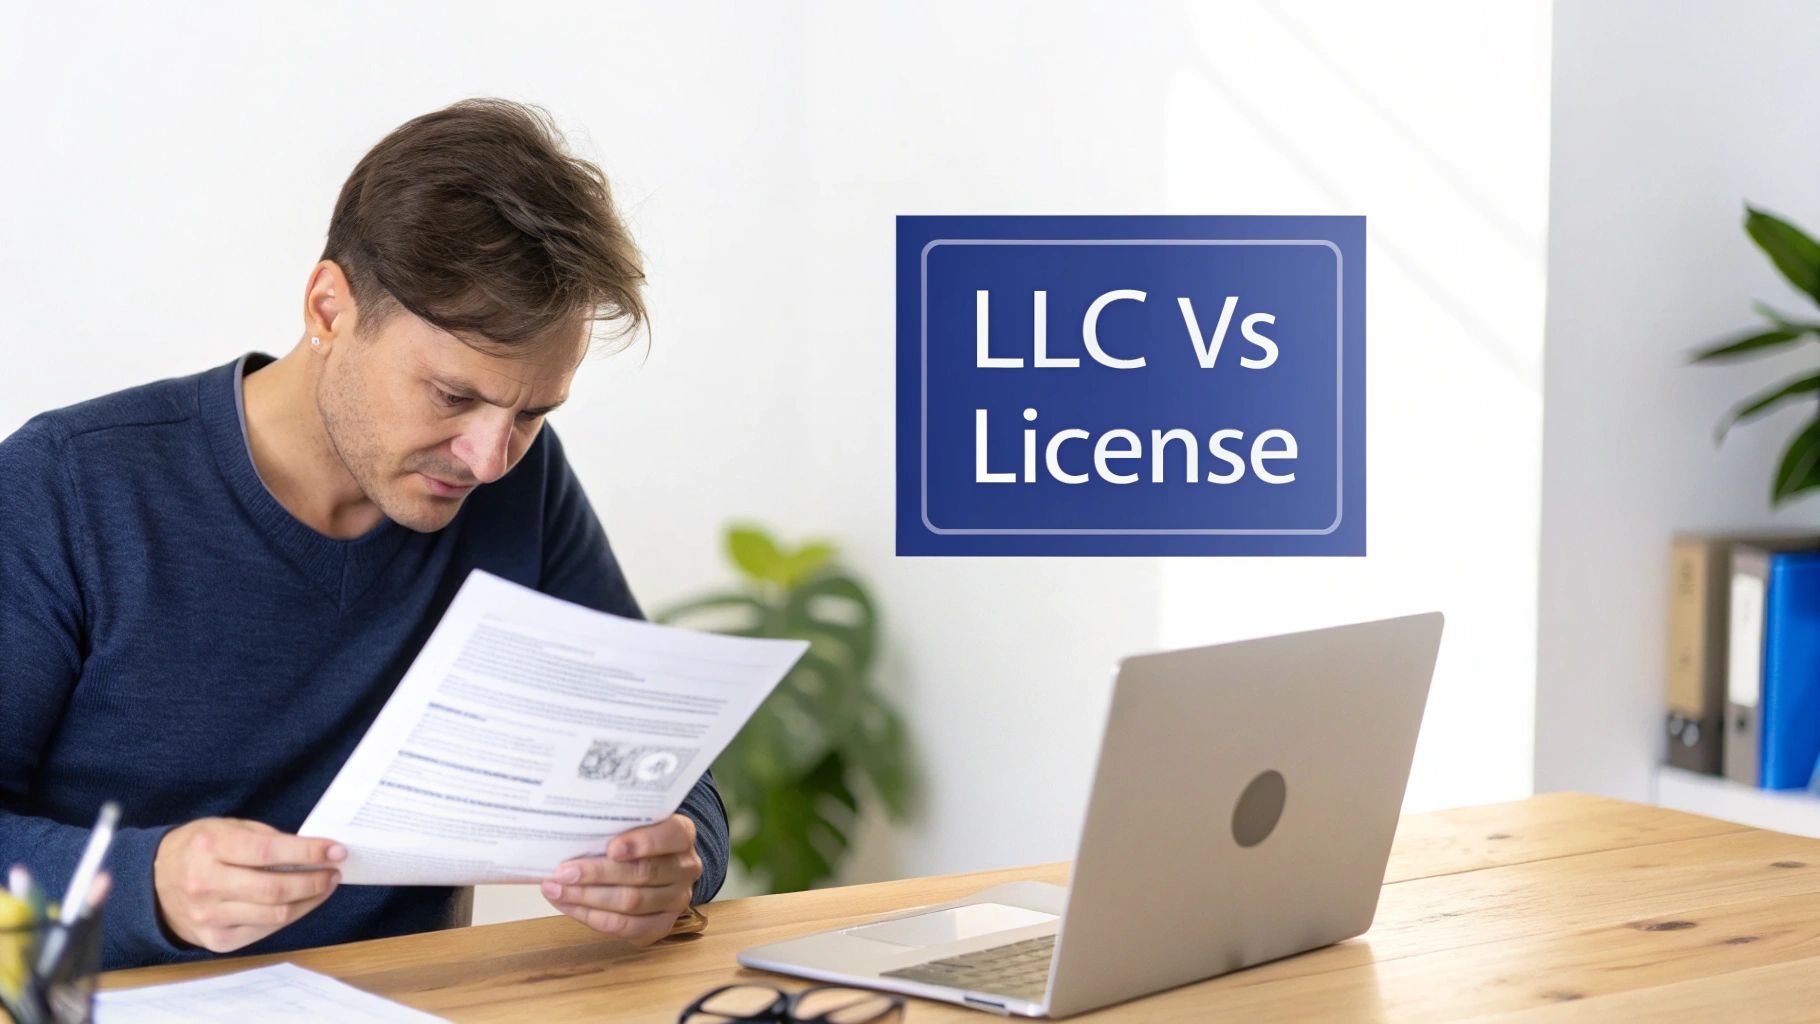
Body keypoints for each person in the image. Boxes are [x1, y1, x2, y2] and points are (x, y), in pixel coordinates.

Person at [0, 98, 728, 969]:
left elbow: (668, 770)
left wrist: (679, 859)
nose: (490, 457)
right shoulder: (71, 488)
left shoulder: (519, 487)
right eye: (453, 396)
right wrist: (145, 882)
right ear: (328, 309)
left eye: (532, 412)